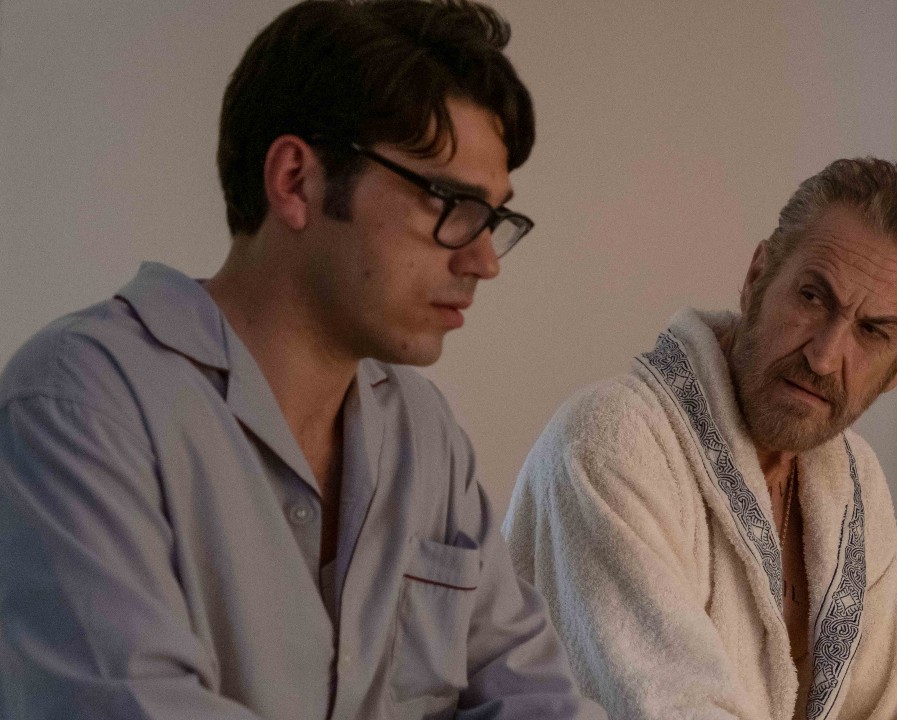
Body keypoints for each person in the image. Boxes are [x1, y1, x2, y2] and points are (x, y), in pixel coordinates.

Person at [0, 2, 605, 719]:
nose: (483, 260)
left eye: (493, 217)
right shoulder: (77, 407)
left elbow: (534, 697)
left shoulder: (424, 434)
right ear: (295, 181)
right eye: (450, 202)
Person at [504, 158, 897, 720]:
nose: (824, 356)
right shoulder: (610, 441)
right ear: (757, 278)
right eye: (812, 297)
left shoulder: (854, 482)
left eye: (872, 331)